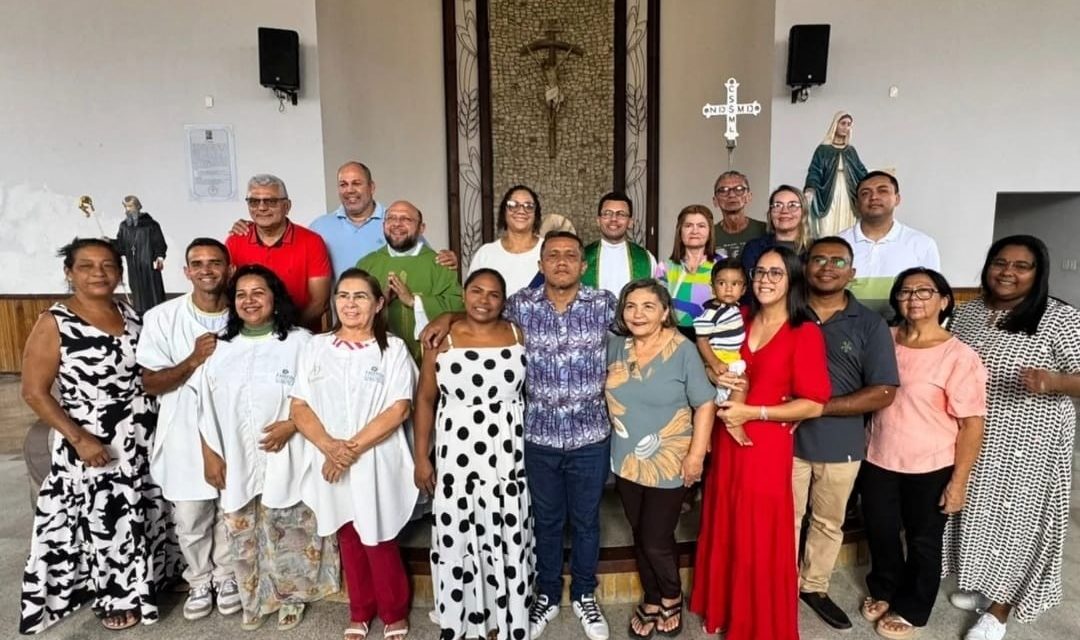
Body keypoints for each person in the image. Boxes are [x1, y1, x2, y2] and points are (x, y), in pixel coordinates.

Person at [424, 231, 616, 640]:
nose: (561, 262)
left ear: (583, 265)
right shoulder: (521, 308)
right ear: (540, 264)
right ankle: (546, 593)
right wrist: (446, 318)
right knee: (544, 522)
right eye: (552, 255)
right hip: (538, 437)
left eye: (570, 256)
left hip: (590, 435)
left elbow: (649, 316)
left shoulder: (604, 305)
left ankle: (584, 594)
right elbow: (480, 308)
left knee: (585, 522)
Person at [19, 238, 181, 634]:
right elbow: (33, 392)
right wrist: (79, 439)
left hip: (141, 430)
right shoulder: (55, 321)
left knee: (145, 507)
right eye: (87, 266)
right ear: (69, 272)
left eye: (108, 265)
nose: (99, 273)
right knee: (106, 517)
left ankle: (151, 579)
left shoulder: (129, 312)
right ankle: (115, 596)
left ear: (120, 272)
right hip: (93, 437)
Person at [690, 246, 831, 640]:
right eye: (760, 272)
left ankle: (756, 622)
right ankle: (725, 607)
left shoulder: (804, 331)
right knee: (725, 519)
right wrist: (712, 370)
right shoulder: (740, 316)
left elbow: (815, 404)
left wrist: (755, 413)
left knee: (759, 531)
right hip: (726, 437)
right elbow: (711, 357)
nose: (765, 280)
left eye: (776, 273)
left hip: (763, 444)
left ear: (793, 280)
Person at [943, 235, 1080, 640]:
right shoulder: (967, 314)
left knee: (1014, 524)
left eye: (1022, 266)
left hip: (1028, 443)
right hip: (973, 434)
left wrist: (1055, 381)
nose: (1008, 272)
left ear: (1038, 275)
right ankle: (986, 587)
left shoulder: (1058, 318)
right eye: (1000, 262)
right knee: (975, 514)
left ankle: (999, 611)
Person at [195, 265, 339, 631]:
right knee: (243, 532)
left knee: (288, 527)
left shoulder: (302, 342)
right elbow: (202, 406)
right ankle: (254, 598)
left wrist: (292, 424)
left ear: (275, 299)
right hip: (237, 454)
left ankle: (292, 596)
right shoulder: (219, 349)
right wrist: (210, 453)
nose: (249, 300)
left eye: (258, 292)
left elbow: (323, 395)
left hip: (289, 451)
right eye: (241, 295)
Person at [291, 268, 418, 640]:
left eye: (360, 296)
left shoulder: (392, 350)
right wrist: (330, 447)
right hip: (329, 455)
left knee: (377, 533)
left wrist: (349, 450)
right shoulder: (315, 347)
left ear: (379, 304)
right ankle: (361, 609)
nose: (350, 304)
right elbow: (300, 406)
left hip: (375, 458)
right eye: (343, 296)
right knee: (347, 533)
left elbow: (399, 409)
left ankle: (394, 611)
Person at [859, 268, 986, 639]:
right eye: (906, 291)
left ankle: (913, 607)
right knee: (880, 530)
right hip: (879, 455)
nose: (914, 298)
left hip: (930, 464)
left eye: (925, 291)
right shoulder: (884, 339)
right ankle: (883, 588)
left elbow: (972, 424)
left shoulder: (958, 356)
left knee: (923, 540)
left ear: (945, 300)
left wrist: (958, 482)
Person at [413, 268, 533, 640]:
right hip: (457, 452)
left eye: (494, 294)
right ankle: (465, 615)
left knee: (507, 527)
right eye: (476, 291)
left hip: (508, 451)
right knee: (460, 531)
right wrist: (422, 456)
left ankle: (504, 615)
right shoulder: (441, 337)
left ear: (504, 300)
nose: (484, 299)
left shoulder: (517, 334)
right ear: (463, 295)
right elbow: (425, 400)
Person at [793, 236, 899, 630]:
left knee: (827, 521)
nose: (827, 266)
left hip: (842, 444)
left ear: (851, 273)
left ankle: (814, 586)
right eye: (818, 259)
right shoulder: (787, 314)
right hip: (786, 441)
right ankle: (780, 584)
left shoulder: (869, 323)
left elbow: (884, 391)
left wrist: (819, 407)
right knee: (783, 519)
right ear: (806, 267)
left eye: (838, 261)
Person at [605, 279, 716, 638]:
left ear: (665, 311)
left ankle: (671, 595)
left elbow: (705, 403)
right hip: (626, 460)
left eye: (648, 306)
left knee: (655, 537)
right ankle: (651, 597)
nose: (638, 314)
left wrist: (696, 455)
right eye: (631, 306)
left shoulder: (682, 349)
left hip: (670, 459)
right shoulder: (616, 347)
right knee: (641, 532)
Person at [137, 238, 239, 621]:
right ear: (186, 271)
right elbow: (151, 382)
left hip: (232, 426)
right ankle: (199, 579)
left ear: (229, 268)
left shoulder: (244, 312)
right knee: (192, 512)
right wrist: (193, 360)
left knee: (232, 508)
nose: (207, 269)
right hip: (182, 427)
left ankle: (227, 575)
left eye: (215, 262)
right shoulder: (162, 318)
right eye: (197, 263)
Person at [305, 161, 458, 278]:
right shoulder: (320, 227)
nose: (350, 190)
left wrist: (446, 260)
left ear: (372, 187)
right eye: (343, 185)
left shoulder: (397, 223)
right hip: (345, 316)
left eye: (357, 183)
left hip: (395, 314)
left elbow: (426, 261)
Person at [357, 201, 464, 361]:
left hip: (429, 359)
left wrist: (415, 301)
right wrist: (380, 302)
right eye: (391, 218)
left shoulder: (441, 263)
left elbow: (458, 307)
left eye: (406, 219)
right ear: (383, 225)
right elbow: (352, 309)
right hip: (376, 361)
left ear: (422, 228)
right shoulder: (366, 264)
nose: (397, 224)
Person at [224, 174, 332, 331]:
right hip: (249, 335)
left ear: (287, 206)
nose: (261, 208)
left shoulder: (312, 242)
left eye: (271, 201)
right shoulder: (235, 241)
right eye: (254, 201)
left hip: (299, 334)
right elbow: (226, 295)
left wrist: (287, 333)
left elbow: (319, 302)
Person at [838, 171, 940, 318]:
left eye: (882, 190)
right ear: (856, 203)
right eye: (865, 193)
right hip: (847, 332)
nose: (874, 197)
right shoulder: (838, 244)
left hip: (903, 334)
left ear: (897, 199)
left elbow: (932, 297)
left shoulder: (922, 244)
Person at [655, 204, 726, 340]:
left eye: (701, 226)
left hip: (716, 340)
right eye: (688, 226)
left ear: (710, 231)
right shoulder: (664, 268)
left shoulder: (723, 265)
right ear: (680, 231)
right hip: (674, 341)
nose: (695, 231)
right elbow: (658, 309)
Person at [467, 185, 543, 295]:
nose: (521, 210)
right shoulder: (486, 253)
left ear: (536, 214)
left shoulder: (549, 251)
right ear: (504, 211)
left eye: (529, 206)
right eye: (513, 205)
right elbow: (473, 294)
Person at [804, 111, 869, 238]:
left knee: (846, 227)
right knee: (826, 228)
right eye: (843, 123)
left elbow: (861, 171)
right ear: (836, 124)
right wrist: (811, 187)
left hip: (848, 192)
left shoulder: (850, 151)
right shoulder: (823, 150)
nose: (846, 127)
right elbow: (815, 170)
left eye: (849, 124)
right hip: (827, 193)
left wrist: (871, 182)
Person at [582, 191, 656, 296]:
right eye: (607, 213)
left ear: (630, 222)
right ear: (598, 220)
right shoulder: (582, 257)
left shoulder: (647, 259)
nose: (613, 219)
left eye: (621, 214)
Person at [740, 185, 812, 278]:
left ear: (804, 212)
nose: (785, 211)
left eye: (792, 205)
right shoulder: (754, 248)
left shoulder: (815, 249)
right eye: (777, 205)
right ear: (770, 214)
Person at [693, 257, 747, 382]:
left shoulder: (733, 308)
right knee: (741, 385)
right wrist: (715, 363)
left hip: (733, 357)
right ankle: (733, 402)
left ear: (743, 289)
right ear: (712, 288)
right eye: (722, 283)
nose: (728, 289)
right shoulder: (711, 312)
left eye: (735, 284)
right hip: (719, 356)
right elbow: (702, 340)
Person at [115, 194, 168, 313]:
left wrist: (160, 257)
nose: (128, 210)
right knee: (138, 292)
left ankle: (157, 314)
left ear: (138, 206)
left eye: (130, 206)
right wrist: (109, 242)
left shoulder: (151, 225)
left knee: (153, 291)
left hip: (149, 265)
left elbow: (159, 243)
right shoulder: (124, 226)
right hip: (133, 266)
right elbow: (121, 246)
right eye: (126, 207)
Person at [711, 171, 766, 259]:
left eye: (739, 189)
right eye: (723, 190)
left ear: (749, 196)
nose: (731, 195)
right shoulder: (708, 235)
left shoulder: (766, 230)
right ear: (715, 201)